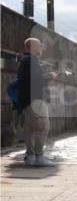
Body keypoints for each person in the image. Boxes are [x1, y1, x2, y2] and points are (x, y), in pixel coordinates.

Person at [17, 38, 61, 166]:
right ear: (31, 47)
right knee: (43, 126)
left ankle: (30, 157)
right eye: (39, 45)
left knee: (30, 128)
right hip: (35, 100)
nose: (41, 47)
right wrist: (51, 76)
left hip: (29, 99)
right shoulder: (30, 60)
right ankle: (38, 157)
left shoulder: (27, 60)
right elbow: (37, 79)